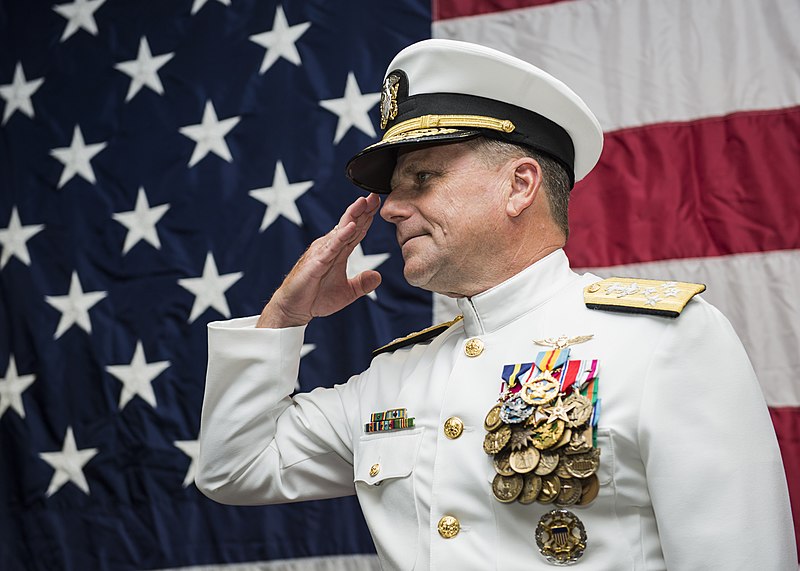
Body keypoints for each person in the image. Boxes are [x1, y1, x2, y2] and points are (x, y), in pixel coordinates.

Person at [195, 39, 795, 569]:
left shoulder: (664, 341)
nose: (393, 208)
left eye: (421, 179)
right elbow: (235, 468)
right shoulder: (397, 376)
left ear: (520, 185)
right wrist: (282, 318)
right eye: (392, 189)